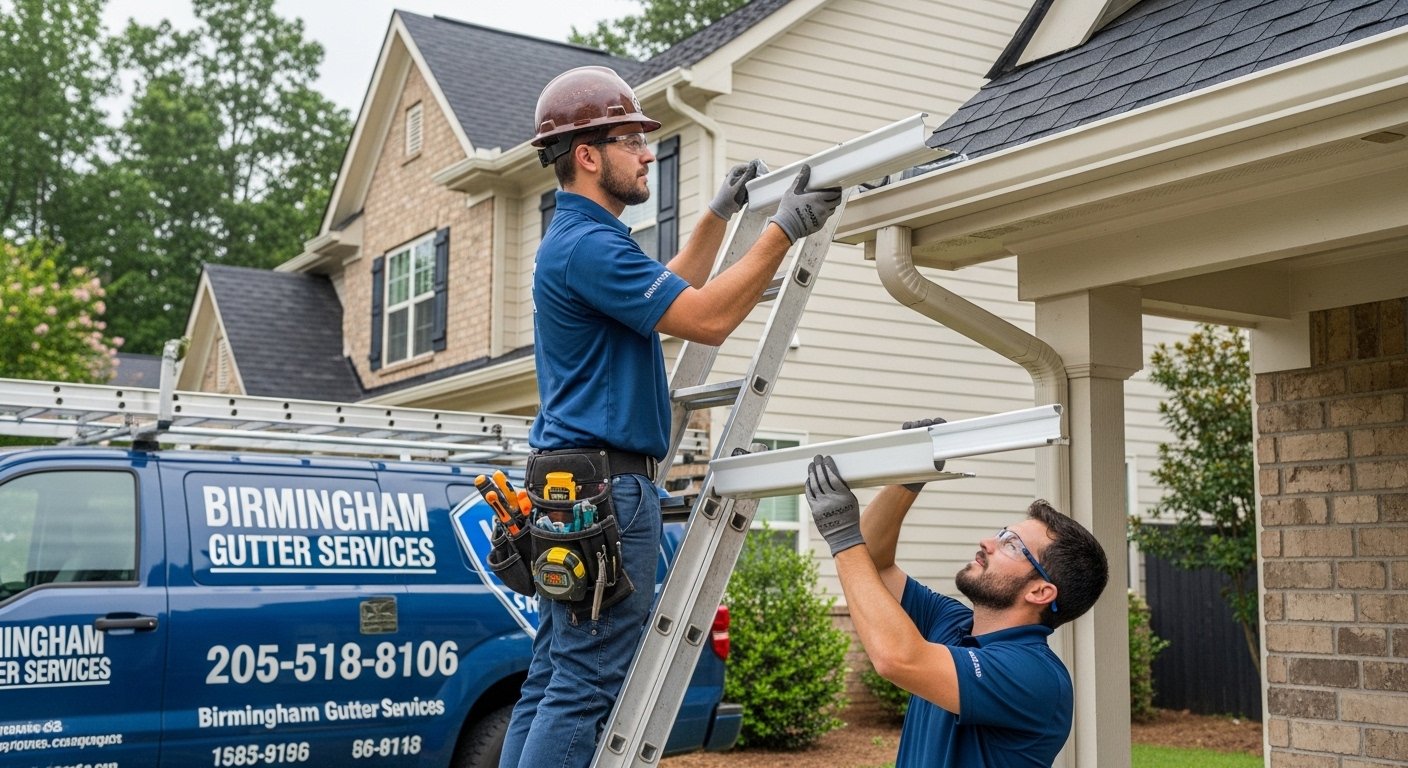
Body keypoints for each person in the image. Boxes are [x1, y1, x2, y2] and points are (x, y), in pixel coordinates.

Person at [499, 65, 843, 768]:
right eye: (632, 140)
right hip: (605, 492)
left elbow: (676, 289)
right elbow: (709, 318)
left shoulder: (581, 240)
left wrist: (719, 215)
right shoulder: (590, 246)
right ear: (588, 154)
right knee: (587, 679)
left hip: (569, 488)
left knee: (556, 674)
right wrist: (781, 233)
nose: (647, 152)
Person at [804, 426, 1109, 768]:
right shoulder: (952, 624)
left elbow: (899, 659)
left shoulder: (1035, 676)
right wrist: (908, 477)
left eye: (1011, 545)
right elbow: (873, 564)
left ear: (1040, 591)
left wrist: (844, 536)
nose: (987, 542)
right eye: (1001, 533)